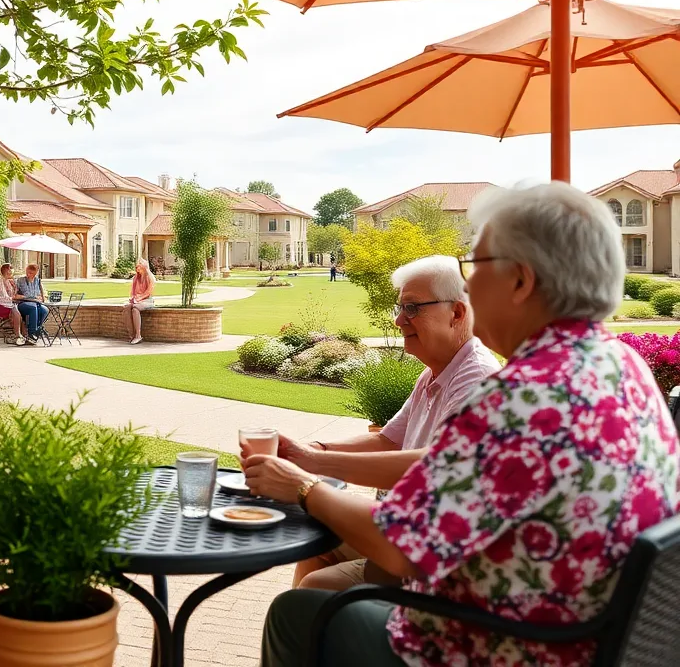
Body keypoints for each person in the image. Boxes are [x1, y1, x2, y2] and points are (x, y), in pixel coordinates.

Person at [252, 182, 680, 667]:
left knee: (299, 612)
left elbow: (401, 547)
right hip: (591, 634)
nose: (469, 286)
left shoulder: (524, 397)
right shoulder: (620, 363)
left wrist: (305, 486)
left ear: (520, 280)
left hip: (511, 647)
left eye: (474, 267)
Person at [265, 255, 500, 591]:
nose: (398, 320)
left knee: (315, 587)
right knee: (318, 540)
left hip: (429, 552)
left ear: (457, 313)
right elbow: (388, 440)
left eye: (412, 308)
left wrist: (311, 463)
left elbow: (435, 467)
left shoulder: (475, 379)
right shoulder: (438, 371)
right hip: (401, 527)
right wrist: (311, 448)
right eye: (400, 307)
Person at [0, 262, 27, 346]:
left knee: (22, 310)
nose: (10, 273)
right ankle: (18, 335)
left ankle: (25, 335)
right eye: (9, 271)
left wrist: (15, 288)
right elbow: (2, 297)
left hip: (8, 303)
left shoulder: (9, 282)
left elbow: (12, 295)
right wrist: (15, 298)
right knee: (15, 310)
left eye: (11, 271)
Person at [14, 263, 49, 342]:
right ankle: (31, 333)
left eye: (31, 273)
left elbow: (43, 295)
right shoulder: (20, 280)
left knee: (45, 310)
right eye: (27, 272)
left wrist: (42, 297)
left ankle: (37, 329)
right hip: (23, 304)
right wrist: (27, 297)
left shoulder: (38, 281)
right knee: (33, 308)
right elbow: (14, 295)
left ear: (36, 273)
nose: (28, 274)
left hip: (36, 303)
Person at [124, 258, 156, 344]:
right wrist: (133, 298)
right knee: (127, 308)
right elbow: (133, 292)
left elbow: (148, 292)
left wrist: (138, 299)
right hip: (137, 300)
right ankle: (131, 335)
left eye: (139, 266)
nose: (137, 269)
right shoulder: (135, 278)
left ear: (144, 267)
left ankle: (138, 335)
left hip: (147, 300)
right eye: (137, 267)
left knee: (135, 308)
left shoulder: (150, 277)